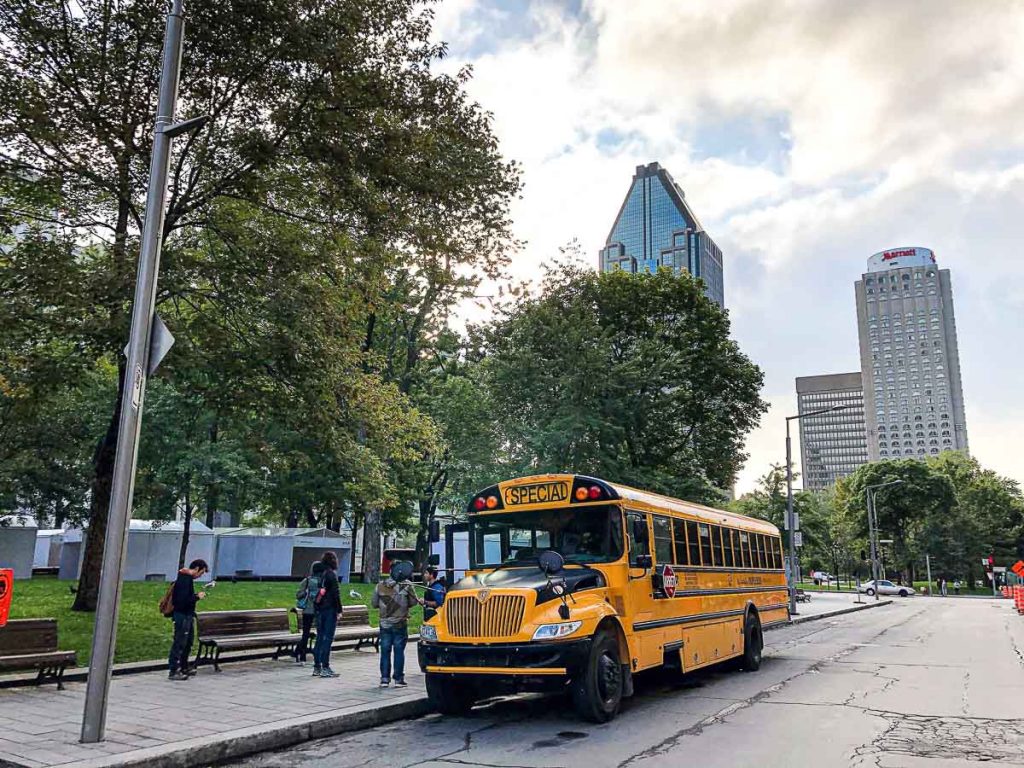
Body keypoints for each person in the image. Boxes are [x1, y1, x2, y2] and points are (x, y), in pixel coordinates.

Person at [372, 561, 421, 687]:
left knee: (385, 651)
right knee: (399, 651)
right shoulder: (406, 585)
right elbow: (413, 602)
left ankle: (384, 679)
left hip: (384, 623)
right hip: (400, 622)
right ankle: (398, 679)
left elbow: (374, 603)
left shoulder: (380, 585)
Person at [168, 558, 208, 681]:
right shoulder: (184, 579)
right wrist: (197, 597)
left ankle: (184, 666)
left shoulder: (187, 578)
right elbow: (182, 601)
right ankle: (174, 670)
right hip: (182, 615)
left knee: (188, 642)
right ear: (196, 569)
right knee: (179, 642)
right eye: (201, 573)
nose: (200, 576)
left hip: (188, 615)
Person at [312, 551, 343, 679]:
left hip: (320, 609)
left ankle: (317, 666)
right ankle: (325, 666)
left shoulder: (323, 575)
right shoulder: (332, 575)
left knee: (320, 637)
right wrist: (339, 610)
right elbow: (336, 594)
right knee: (327, 638)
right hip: (330, 609)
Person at [294, 561, 325, 665]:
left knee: (305, 633)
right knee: (319, 632)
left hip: (307, 610)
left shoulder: (306, 581)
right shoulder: (323, 582)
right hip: (319, 610)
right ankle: (316, 655)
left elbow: (298, 595)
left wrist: (305, 593)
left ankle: (301, 654)